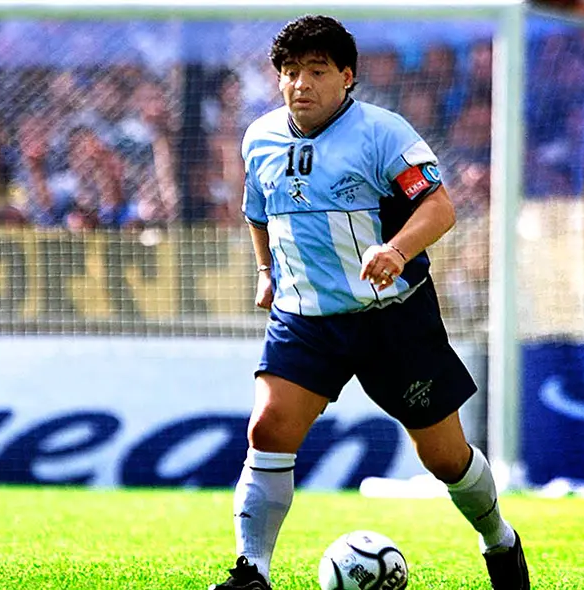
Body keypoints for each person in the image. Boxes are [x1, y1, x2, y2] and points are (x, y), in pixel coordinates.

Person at [208, 16, 530, 590]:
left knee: (445, 458)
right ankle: (251, 571)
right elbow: (256, 213)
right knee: (268, 428)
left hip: (393, 318)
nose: (300, 84)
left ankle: (499, 540)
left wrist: (397, 250)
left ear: (347, 77)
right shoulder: (258, 138)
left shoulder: (384, 133)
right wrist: (265, 272)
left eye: (316, 71)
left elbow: (440, 207)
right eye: (289, 73)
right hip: (305, 318)